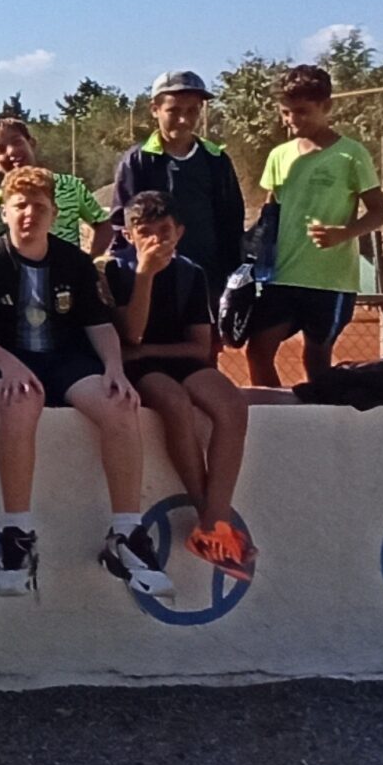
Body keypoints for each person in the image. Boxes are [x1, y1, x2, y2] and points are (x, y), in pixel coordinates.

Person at [0, 166, 171, 600]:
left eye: (39, 206)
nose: (29, 214)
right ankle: (17, 534)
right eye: (20, 206)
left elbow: (99, 325)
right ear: (5, 212)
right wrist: (9, 364)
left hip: (61, 360)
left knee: (119, 403)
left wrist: (114, 368)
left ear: (54, 214)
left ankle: (127, 534)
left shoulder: (74, 261)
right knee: (21, 401)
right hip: (0, 360)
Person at [109, 191, 255, 579]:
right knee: (174, 402)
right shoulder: (113, 271)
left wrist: (146, 349)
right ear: (128, 235)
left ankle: (214, 520)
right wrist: (144, 276)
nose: (156, 240)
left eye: (165, 231)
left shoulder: (190, 272)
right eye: (145, 232)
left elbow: (198, 346)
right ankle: (209, 516)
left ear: (180, 232)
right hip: (138, 368)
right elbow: (131, 335)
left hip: (175, 357)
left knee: (232, 405)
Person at [247, 63, 383, 388]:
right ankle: (275, 414)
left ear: (327, 106)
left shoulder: (351, 155)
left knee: (316, 360)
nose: (292, 120)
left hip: (330, 281)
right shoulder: (279, 155)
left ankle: (318, 417)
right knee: (258, 351)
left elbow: (380, 212)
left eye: (302, 111)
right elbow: (270, 211)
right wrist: (253, 253)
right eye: (285, 112)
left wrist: (345, 233)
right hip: (281, 277)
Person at [110, 70, 244, 307]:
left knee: (202, 331)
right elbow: (122, 223)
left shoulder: (215, 160)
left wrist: (232, 275)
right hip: (152, 280)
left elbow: (231, 222)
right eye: (173, 111)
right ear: (155, 110)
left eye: (192, 111)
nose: (183, 119)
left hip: (206, 278)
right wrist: (127, 274)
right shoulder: (138, 161)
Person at [0, 116, 109, 253]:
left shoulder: (69, 186)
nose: (11, 151)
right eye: (0, 150)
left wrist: (91, 260)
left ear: (31, 143)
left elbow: (103, 224)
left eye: (17, 142)